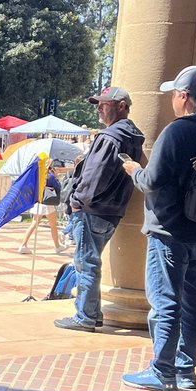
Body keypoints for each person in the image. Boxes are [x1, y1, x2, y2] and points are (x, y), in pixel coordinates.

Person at [120, 65, 196, 391]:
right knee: (193, 298)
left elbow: (152, 181)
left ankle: (161, 370)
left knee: (166, 299)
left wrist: (135, 170)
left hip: (169, 231)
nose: (172, 100)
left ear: (183, 96)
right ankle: (185, 370)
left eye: (173, 94)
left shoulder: (177, 131)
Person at [54, 86, 146, 332]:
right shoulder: (132, 136)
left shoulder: (110, 137)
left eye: (104, 104)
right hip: (111, 210)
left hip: (93, 210)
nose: (99, 108)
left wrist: (76, 202)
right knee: (90, 261)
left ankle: (84, 316)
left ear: (122, 106)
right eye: (98, 103)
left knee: (86, 263)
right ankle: (92, 313)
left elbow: (95, 177)